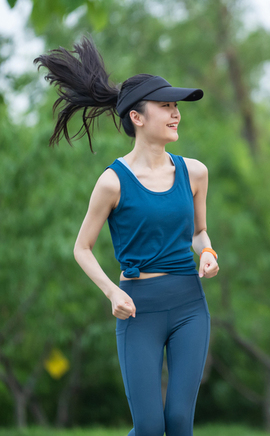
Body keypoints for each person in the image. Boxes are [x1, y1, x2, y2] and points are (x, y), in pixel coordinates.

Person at [35, 36, 218, 436]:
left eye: (176, 107)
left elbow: (199, 233)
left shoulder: (195, 173)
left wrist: (207, 254)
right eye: (166, 106)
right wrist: (112, 292)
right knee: (151, 428)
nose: (175, 114)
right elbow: (81, 248)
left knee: (179, 425)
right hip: (138, 309)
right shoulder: (112, 182)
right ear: (137, 117)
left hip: (190, 305)